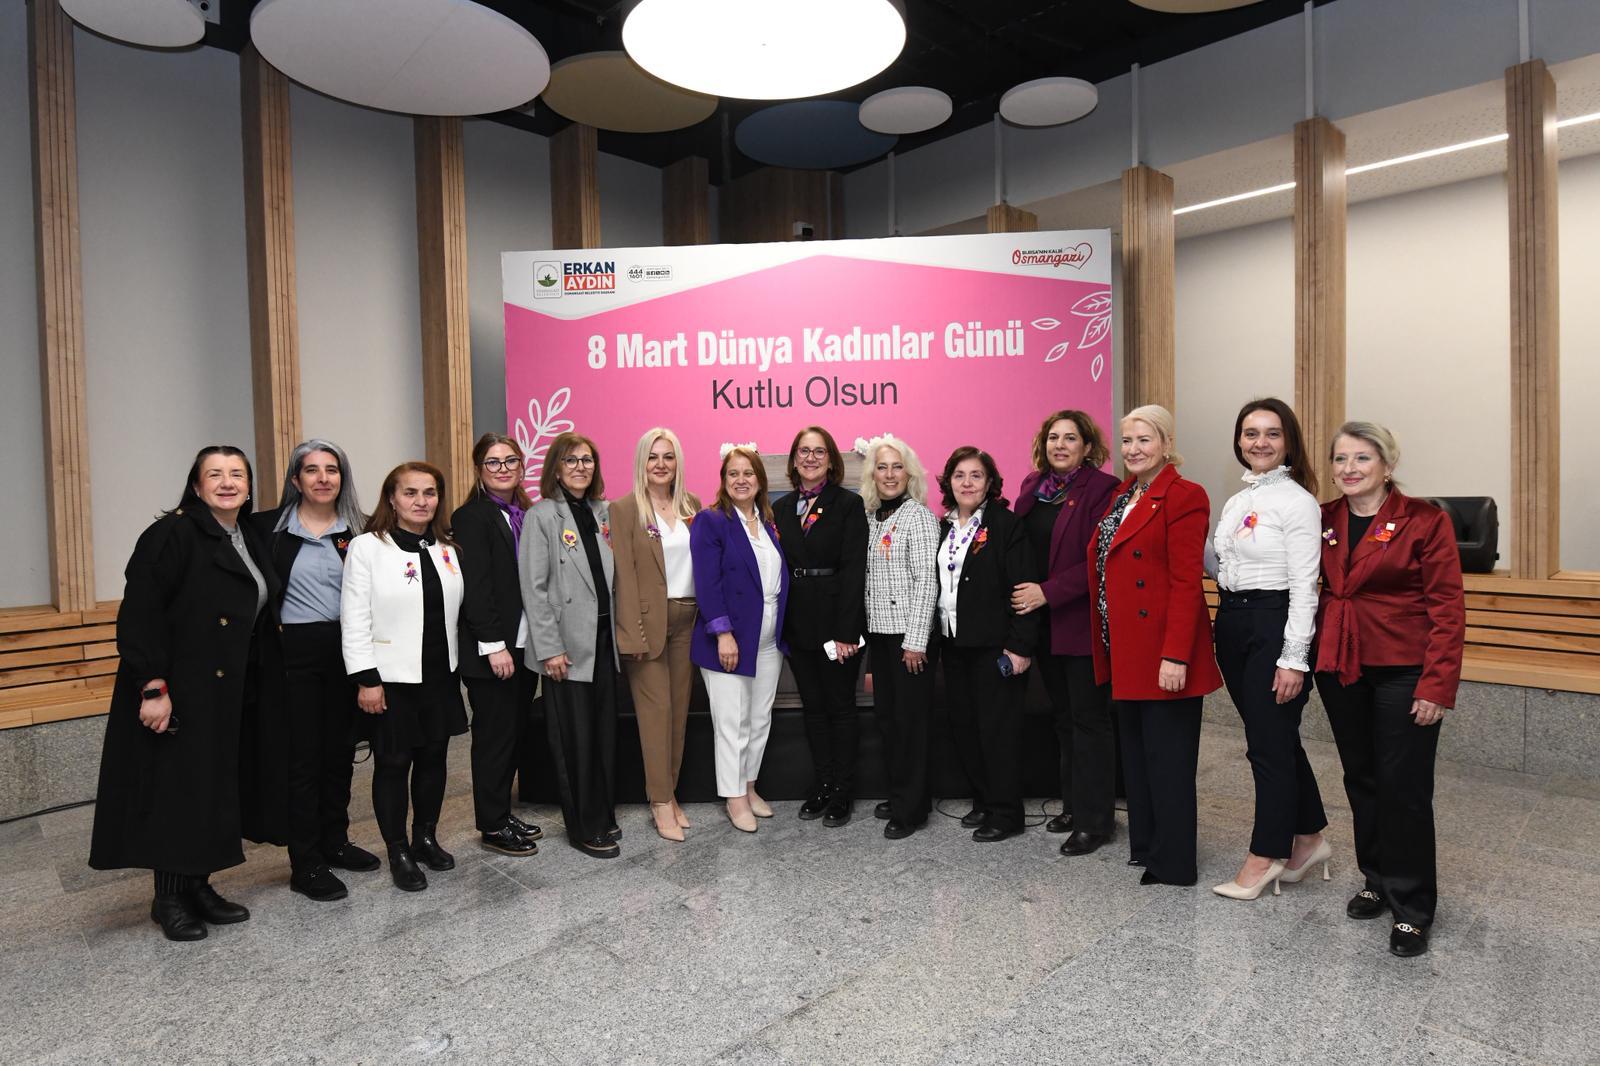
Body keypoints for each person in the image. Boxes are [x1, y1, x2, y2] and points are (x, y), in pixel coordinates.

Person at [89, 445, 287, 941]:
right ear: (196, 486)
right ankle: (170, 898)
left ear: (249, 486)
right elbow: (141, 614)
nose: (227, 483)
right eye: (214, 474)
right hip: (181, 687)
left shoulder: (248, 535)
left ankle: (199, 885)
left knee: (212, 789)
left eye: (237, 474)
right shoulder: (172, 534)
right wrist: (152, 686)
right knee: (177, 791)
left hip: (232, 687)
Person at [1314, 421, 1464, 958]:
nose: (1349, 469)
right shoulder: (1323, 518)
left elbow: (1447, 608)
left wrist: (1437, 685)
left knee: (1404, 786)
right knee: (1361, 777)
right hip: (1341, 665)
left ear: (1387, 465)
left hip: (1405, 669)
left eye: (1362, 458)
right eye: (1340, 459)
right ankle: (1376, 879)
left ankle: (1412, 907)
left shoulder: (1424, 520)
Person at [1088, 405, 1223, 887]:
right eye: (1127, 440)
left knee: (1168, 762)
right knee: (1139, 758)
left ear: (1166, 444)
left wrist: (1176, 655)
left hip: (1163, 650)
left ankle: (1175, 861)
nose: (1133, 449)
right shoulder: (1125, 494)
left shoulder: (1185, 495)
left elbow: (1187, 581)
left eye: (1144, 440)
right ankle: (1146, 846)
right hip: (1127, 647)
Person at [1210, 399, 1331, 900]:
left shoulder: (1298, 501)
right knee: (1274, 737)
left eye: (1272, 433)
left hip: (1274, 622)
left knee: (1266, 745)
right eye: (1250, 433)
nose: (1260, 442)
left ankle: (1266, 855)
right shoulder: (1238, 500)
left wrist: (1293, 657)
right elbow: (1225, 565)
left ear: (1289, 442)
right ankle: (1310, 838)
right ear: (1239, 441)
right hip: (1233, 620)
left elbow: (1306, 586)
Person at [253, 439, 378, 902]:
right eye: (312, 470)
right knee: (303, 760)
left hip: (347, 651)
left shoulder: (363, 530)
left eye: (332, 469)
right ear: (295, 479)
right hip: (293, 654)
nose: (323, 478)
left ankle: (335, 842)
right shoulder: (268, 530)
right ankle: (305, 862)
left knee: (341, 753)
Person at [341, 462, 467, 892]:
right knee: (394, 764)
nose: (421, 501)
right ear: (392, 499)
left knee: (434, 759)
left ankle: (425, 838)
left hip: (439, 674)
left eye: (429, 493)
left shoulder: (446, 547)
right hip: (390, 677)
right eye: (410, 493)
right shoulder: (367, 548)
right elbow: (354, 617)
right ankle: (397, 850)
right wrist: (366, 678)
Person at [1010, 410, 1121, 857]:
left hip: (1080, 622)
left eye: (1070, 438)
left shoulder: (1104, 489)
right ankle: (1075, 807)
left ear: (1087, 447)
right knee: (1063, 718)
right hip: (1043, 626)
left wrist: (1047, 592)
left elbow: (1101, 559)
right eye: (1053, 437)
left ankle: (1096, 821)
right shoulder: (1032, 486)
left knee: (1089, 720)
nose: (1060, 445)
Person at [520, 432, 621, 858]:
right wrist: (549, 649)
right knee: (575, 741)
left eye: (587, 460)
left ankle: (602, 813)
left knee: (603, 734)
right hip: (566, 645)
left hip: (604, 640)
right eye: (571, 460)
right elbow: (534, 589)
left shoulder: (603, 512)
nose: (581, 467)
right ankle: (583, 826)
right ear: (556, 469)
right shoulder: (542, 516)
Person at [935, 446, 1039, 842]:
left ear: (990, 482)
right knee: (966, 728)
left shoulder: (1006, 525)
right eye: (959, 475)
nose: (967, 483)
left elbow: (1023, 589)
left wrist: (1020, 647)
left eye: (976, 475)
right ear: (948, 482)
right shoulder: (944, 526)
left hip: (996, 648)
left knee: (998, 733)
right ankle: (984, 799)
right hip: (954, 646)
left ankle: (1006, 813)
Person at [690, 443, 791, 833]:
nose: (741, 480)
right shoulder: (712, 521)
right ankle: (733, 797)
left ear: (760, 481)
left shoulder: (767, 523)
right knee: (732, 722)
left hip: (767, 639)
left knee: (759, 718)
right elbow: (707, 582)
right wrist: (723, 634)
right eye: (733, 473)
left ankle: (749, 786)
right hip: (729, 639)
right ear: (723, 480)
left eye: (748, 473)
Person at [452, 433, 543, 857]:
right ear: (479, 470)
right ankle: (491, 824)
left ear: (522, 467)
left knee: (513, 734)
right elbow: (477, 588)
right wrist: (494, 645)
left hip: (523, 644)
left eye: (510, 461)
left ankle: (502, 813)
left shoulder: (523, 514)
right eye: (493, 462)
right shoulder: (472, 517)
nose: (503, 468)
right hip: (493, 650)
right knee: (494, 739)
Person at [773, 427, 868, 827]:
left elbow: (855, 570)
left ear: (831, 461)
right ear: (794, 459)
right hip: (799, 623)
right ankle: (823, 784)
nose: (810, 458)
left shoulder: (848, 504)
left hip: (837, 625)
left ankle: (844, 790)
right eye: (803, 451)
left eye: (819, 452)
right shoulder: (780, 508)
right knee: (813, 709)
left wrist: (846, 632)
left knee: (840, 708)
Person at [611, 428, 701, 842]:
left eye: (668, 456)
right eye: (653, 456)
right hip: (647, 624)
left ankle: (671, 793)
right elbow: (624, 577)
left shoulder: (691, 506)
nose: (660, 464)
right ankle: (660, 801)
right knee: (655, 715)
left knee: (678, 714)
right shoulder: (625, 509)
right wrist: (631, 636)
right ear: (641, 463)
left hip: (688, 619)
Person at [859, 433, 940, 840]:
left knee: (910, 725)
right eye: (882, 467)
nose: (889, 474)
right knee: (889, 720)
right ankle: (902, 795)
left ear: (909, 474)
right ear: (872, 474)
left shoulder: (919, 516)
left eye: (897, 467)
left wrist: (916, 641)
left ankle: (911, 811)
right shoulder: (873, 517)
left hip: (908, 640)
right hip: (880, 636)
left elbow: (927, 581)